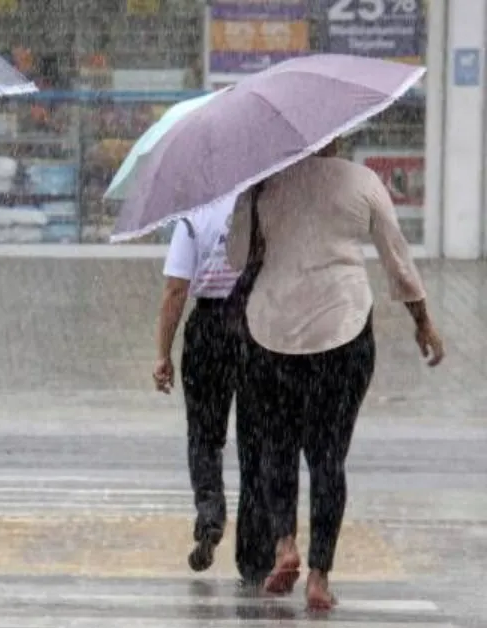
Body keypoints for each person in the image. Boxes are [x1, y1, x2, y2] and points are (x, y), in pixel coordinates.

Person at [226, 139, 444, 610]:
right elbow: (397, 259)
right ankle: (320, 577)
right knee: (328, 457)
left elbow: (237, 257)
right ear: (339, 136)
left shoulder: (267, 184)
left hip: (274, 329)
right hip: (343, 328)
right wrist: (422, 321)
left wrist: (253, 201)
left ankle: (285, 544)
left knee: (277, 445)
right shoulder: (362, 181)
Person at [153, 194, 272, 584]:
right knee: (256, 441)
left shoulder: (194, 217)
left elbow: (175, 290)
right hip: (256, 327)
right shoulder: (264, 206)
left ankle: (209, 517)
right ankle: (255, 553)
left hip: (208, 329)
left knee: (205, 436)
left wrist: (163, 353)